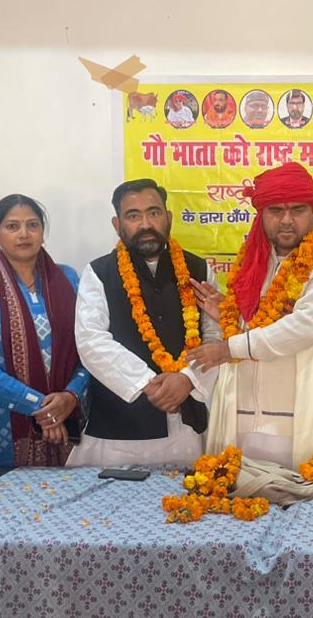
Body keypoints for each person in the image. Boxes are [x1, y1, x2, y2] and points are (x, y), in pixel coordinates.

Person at [189, 161, 313, 467]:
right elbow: (261, 320)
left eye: (298, 209)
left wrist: (228, 349)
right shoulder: (253, 260)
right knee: (236, 492)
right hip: (242, 415)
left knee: (305, 491)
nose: (287, 220)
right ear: (261, 214)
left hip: (301, 416)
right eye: (276, 210)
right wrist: (230, 314)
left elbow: (306, 325)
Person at [70, 180, 221, 467]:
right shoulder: (99, 272)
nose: (146, 224)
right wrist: (147, 384)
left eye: (154, 212)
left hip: (188, 427)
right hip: (120, 431)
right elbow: (91, 340)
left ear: (168, 218)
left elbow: (215, 336)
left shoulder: (199, 269)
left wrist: (187, 379)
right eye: (133, 215)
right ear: (117, 224)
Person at [0, 195, 90, 467]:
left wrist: (71, 396)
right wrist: (40, 407)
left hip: (71, 427)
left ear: (42, 232)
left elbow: (89, 348)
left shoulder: (69, 280)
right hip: (0, 432)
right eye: (12, 226)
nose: (24, 234)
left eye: (32, 225)